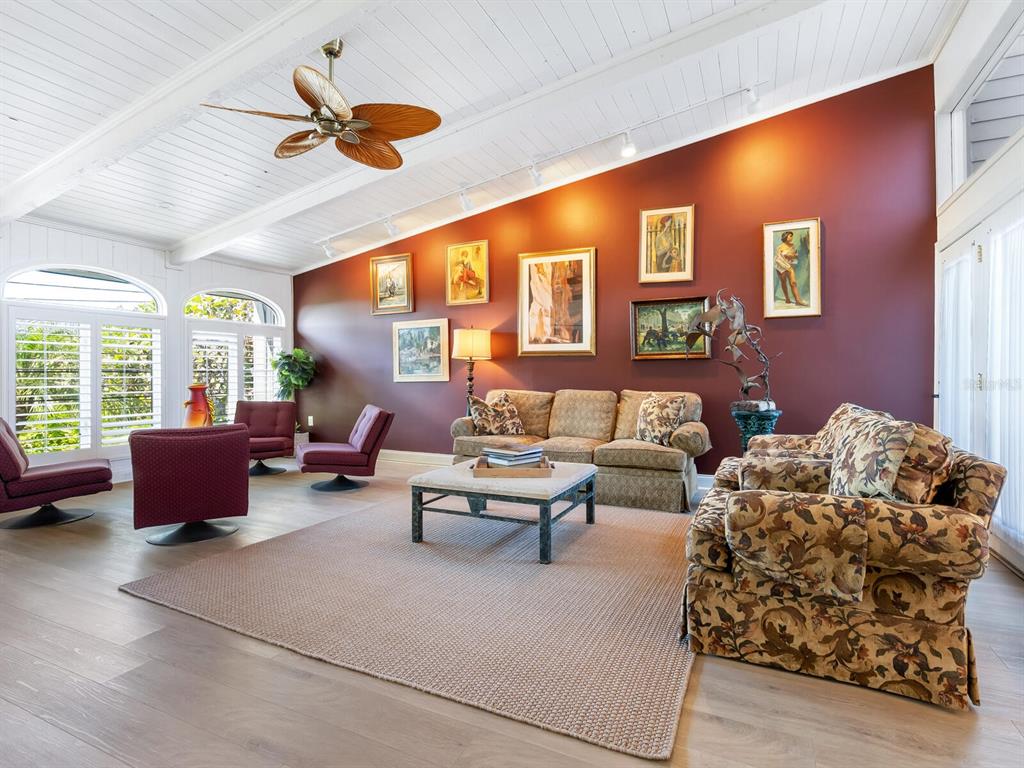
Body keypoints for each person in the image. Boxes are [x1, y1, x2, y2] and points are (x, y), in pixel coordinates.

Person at [774, 231, 808, 306]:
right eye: (790, 236)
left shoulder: (793, 245)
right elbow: (778, 259)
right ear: (785, 237)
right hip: (781, 266)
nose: (791, 237)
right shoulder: (779, 247)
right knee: (783, 282)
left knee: (793, 282)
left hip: (789, 266)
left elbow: (796, 256)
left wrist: (791, 257)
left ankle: (798, 300)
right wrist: (787, 261)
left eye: (792, 236)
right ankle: (787, 298)